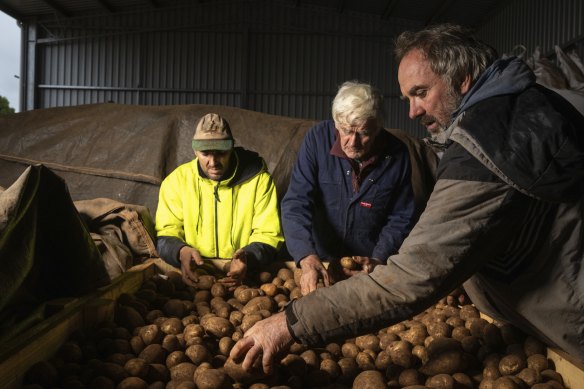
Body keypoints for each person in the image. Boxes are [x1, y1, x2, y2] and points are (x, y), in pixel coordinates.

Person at [230, 23, 584, 372]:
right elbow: (495, 226)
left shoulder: (486, 143)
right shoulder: (527, 101)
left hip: (570, 314)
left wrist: (291, 323)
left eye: (420, 92)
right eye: (407, 98)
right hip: (539, 303)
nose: (412, 112)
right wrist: (307, 257)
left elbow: (413, 269)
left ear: (461, 80)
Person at [281, 80, 416, 295]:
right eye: (345, 130)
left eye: (363, 133)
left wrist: (378, 259)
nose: (353, 142)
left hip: (367, 269)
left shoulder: (397, 154)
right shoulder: (316, 140)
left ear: (378, 127)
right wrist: (306, 257)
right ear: (336, 123)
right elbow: (296, 203)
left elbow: (401, 218)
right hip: (320, 261)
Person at [155, 113, 284, 288]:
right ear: (194, 151)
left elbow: (269, 234)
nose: (213, 162)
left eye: (221, 153)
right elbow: (166, 234)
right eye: (205, 154)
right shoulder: (176, 182)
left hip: (244, 277)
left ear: (231, 148)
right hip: (195, 275)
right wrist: (180, 251)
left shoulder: (258, 180)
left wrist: (248, 257)